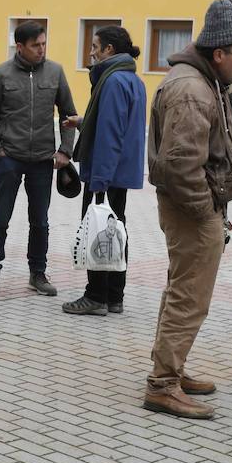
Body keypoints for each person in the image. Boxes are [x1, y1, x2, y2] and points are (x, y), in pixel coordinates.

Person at [144, 0, 232, 419]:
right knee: (190, 297)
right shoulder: (192, 90)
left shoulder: (205, 81)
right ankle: (163, 384)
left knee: (181, 291)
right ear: (219, 54)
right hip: (192, 210)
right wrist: (206, 211)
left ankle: (171, 368)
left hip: (196, 207)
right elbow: (181, 165)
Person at [0, 21, 78, 299]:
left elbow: (69, 115)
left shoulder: (55, 72)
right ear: (19, 46)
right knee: (0, 219)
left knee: (40, 222)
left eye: (44, 44)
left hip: (43, 161)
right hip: (9, 159)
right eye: (36, 45)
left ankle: (38, 274)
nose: (41, 50)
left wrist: (65, 152)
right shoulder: (1, 75)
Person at [61, 25, 147, 317]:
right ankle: (114, 297)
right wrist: (83, 122)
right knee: (116, 229)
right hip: (121, 173)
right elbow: (114, 123)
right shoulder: (132, 79)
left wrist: (99, 181)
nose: (91, 52)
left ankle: (95, 296)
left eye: (95, 46)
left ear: (109, 49)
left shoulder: (111, 82)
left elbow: (110, 134)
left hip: (105, 173)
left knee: (97, 231)